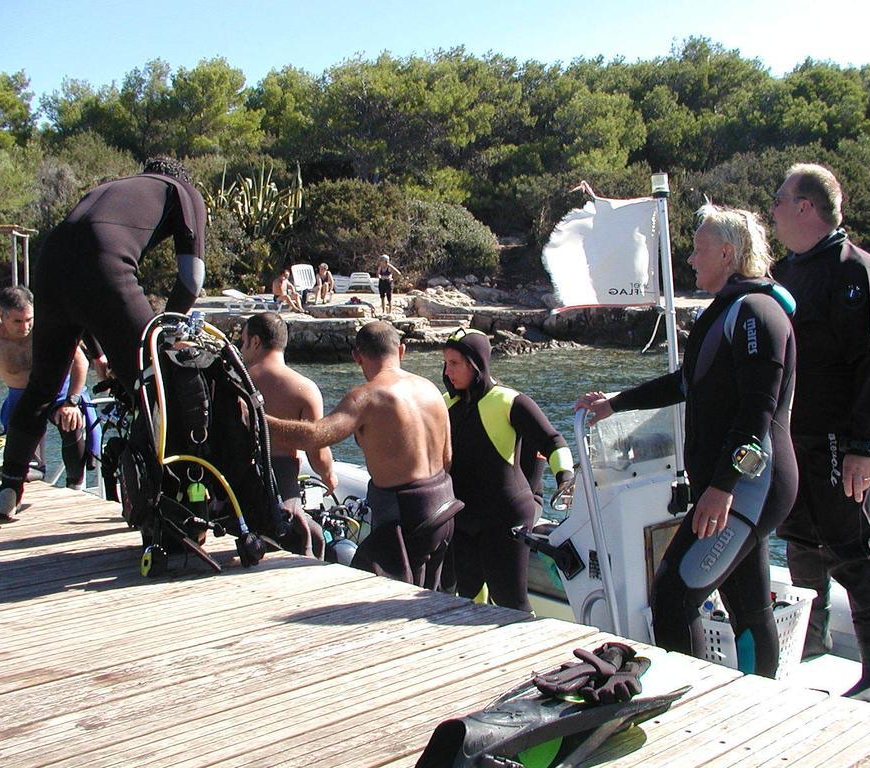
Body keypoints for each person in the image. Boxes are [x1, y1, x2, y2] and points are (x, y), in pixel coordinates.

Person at [575, 203, 797, 678]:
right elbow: (687, 383)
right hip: (738, 487)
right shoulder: (731, 311)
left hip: (747, 488)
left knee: (672, 597)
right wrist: (617, 403)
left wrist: (722, 487)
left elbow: (758, 412)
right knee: (749, 605)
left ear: (728, 252)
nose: (691, 260)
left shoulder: (757, 312)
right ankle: (764, 695)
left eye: (698, 251)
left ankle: (693, 699)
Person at [0, 156, 208, 521]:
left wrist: (96, 352)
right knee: (154, 388)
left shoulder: (113, 189)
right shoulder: (184, 192)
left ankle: (9, 487)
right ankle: (167, 502)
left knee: (43, 386)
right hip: (104, 260)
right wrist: (166, 336)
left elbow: (82, 294)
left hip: (52, 261)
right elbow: (191, 281)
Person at [770, 163, 870, 705]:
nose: (774, 208)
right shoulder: (787, 272)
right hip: (793, 437)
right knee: (801, 538)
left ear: (806, 206)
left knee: (853, 544)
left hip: (838, 441)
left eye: (780, 199)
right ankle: (811, 640)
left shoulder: (858, 272)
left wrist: (864, 447)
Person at [266, 320, 461, 589]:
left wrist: (258, 419)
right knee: (429, 598)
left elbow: (314, 436)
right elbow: (447, 456)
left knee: (377, 599)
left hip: (402, 519)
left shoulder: (367, 397)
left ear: (357, 356)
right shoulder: (431, 390)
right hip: (443, 511)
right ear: (401, 351)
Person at [443, 329, 574, 612]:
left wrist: (565, 476)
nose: (448, 370)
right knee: (470, 599)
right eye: (446, 363)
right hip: (464, 517)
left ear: (475, 363)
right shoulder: (445, 404)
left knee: (510, 600)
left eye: (455, 363)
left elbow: (552, 441)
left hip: (505, 517)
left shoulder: (508, 401)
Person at [0, 286, 100, 507]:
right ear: (2, 315)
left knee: (70, 422)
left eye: (29, 320)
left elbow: (81, 362)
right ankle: (17, 491)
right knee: (25, 462)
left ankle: (76, 486)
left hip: (58, 391)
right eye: (17, 321)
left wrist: (72, 401)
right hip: (21, 398)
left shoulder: (46, 331)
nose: (25, 327)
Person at [240, 312, 336, 558]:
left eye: (242, 341)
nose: (242, 348)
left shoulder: (236, 383)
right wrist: (329, 475)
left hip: (236, 491)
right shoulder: (303, 388)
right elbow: (317, 452)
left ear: (255, 342)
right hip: (282, 496)